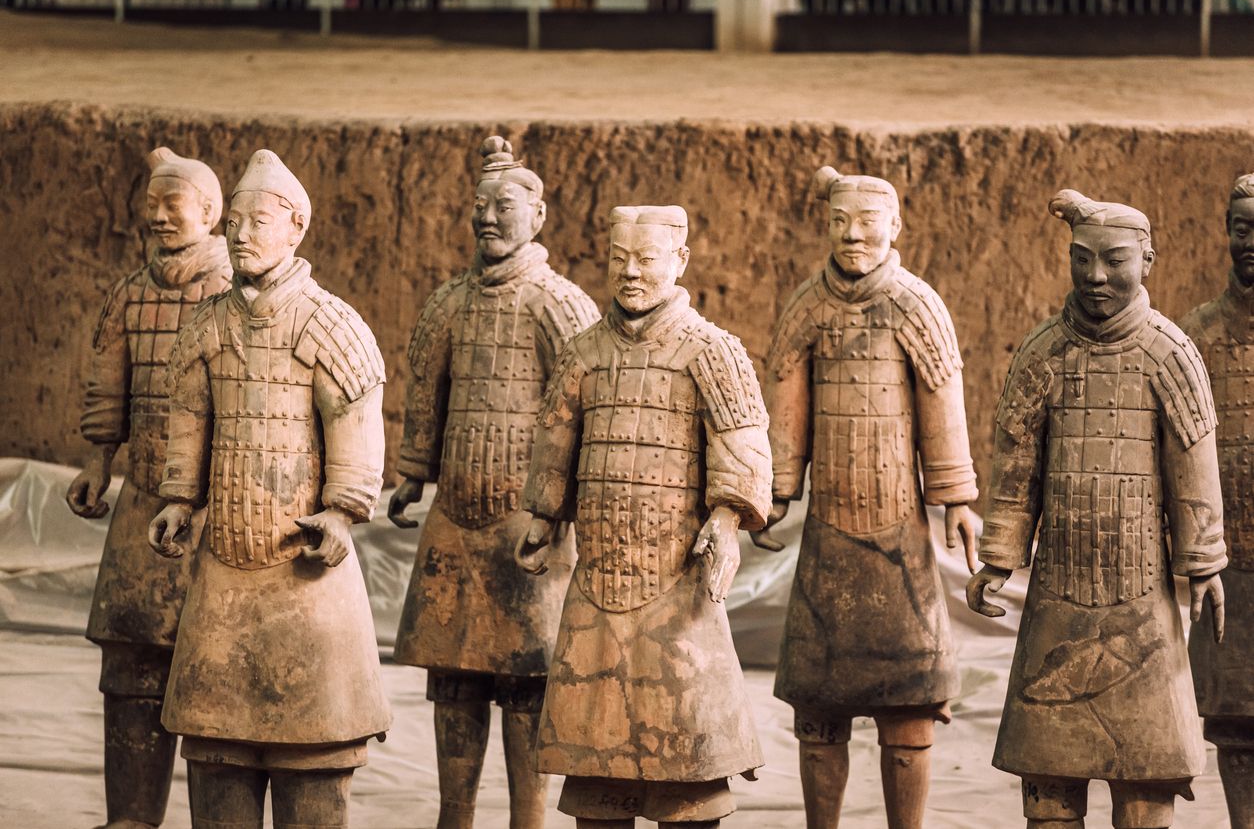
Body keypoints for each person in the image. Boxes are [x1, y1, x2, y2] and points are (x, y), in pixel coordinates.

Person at [968, 189, 1226, 829]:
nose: (1096, 276)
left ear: (1148, 260)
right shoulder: (1041, 353)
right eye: (1082, 259)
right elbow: (1016, 465)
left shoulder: (1170, 354)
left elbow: (1193, 467)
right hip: (1059, 590)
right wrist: (998, 554)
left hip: (1141, 596)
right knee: (1048, 785)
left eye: (1114, 260)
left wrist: (1203, 561)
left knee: (1145, 781)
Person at [147, 149, 390, 829]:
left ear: (297, 228)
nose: (243, 234)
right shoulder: (207, 326)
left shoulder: (330, 323)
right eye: (237, 223)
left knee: (312, 760)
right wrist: (178, 498)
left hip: (306, 577)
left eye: (261, 222)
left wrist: (342, 513)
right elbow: (191, 417)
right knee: (218, 756)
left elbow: (356, 421)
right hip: (225, 570)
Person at [515, 204, 771, 827]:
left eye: (646, 259)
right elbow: (556, 443)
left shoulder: (712, 352)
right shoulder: (583, 353)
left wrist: (729, 518)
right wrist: (545, 518)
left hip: (677, 582)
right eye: (619, 259)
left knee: (688, 768)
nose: (630, 273)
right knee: (597, 772)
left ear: (679, 260)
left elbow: (743, 441)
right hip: (598, 579)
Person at [752, 167, 979, 829]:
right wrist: (778, 490)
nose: (853, 234)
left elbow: (944, 404)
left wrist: (957, 498)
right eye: (839, 220)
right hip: (828, 534)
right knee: (819, 706)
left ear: (895, 226)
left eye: (867, 221)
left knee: (908, 703)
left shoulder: (917, 305)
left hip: (900, 534)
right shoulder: (806, 306)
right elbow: (787, 410)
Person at [388, 135, 598, 829]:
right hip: (458, 515)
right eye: (478, 205)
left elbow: (584, 408)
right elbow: (427, 392)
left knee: (526, 683)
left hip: (528, 524)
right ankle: (456, 817)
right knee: (453, 681)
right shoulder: (449, 301)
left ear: (538, 216)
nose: (486, 218)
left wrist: (569, 501)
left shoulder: (558, 304)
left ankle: (528, 821)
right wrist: (413, 473)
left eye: (503, 206)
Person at [67, 146, 232, 829]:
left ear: (212, 211)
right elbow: (110, 384)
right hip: (141, 501)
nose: (157, 216)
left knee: (210, 670)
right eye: (152, 205)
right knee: (131, 660)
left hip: (212, 508)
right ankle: (131, 816)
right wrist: (98, 461)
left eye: (173, 204)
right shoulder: (131, 292)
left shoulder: (235, 290)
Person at [1184, 172, 1254, 828]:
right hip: (1229, 559)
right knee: (1234, 717)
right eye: (1241, 227)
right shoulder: (1197, 336)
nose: (1251, 241)